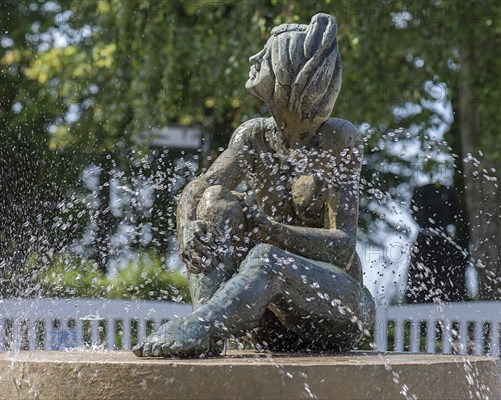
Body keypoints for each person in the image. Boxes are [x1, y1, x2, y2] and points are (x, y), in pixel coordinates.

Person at [133, 13, 375, 358]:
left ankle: (200, 326)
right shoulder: (253, 136)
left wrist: (267, 229)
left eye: (266, 55)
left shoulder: (339, 139)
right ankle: (208, 335)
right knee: (216, 200)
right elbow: (200, 188)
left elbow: (342, 246)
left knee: (266, 258)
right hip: (267, 322)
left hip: (336, 309)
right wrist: (188, 225)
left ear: (285, 74)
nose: (254, 60)